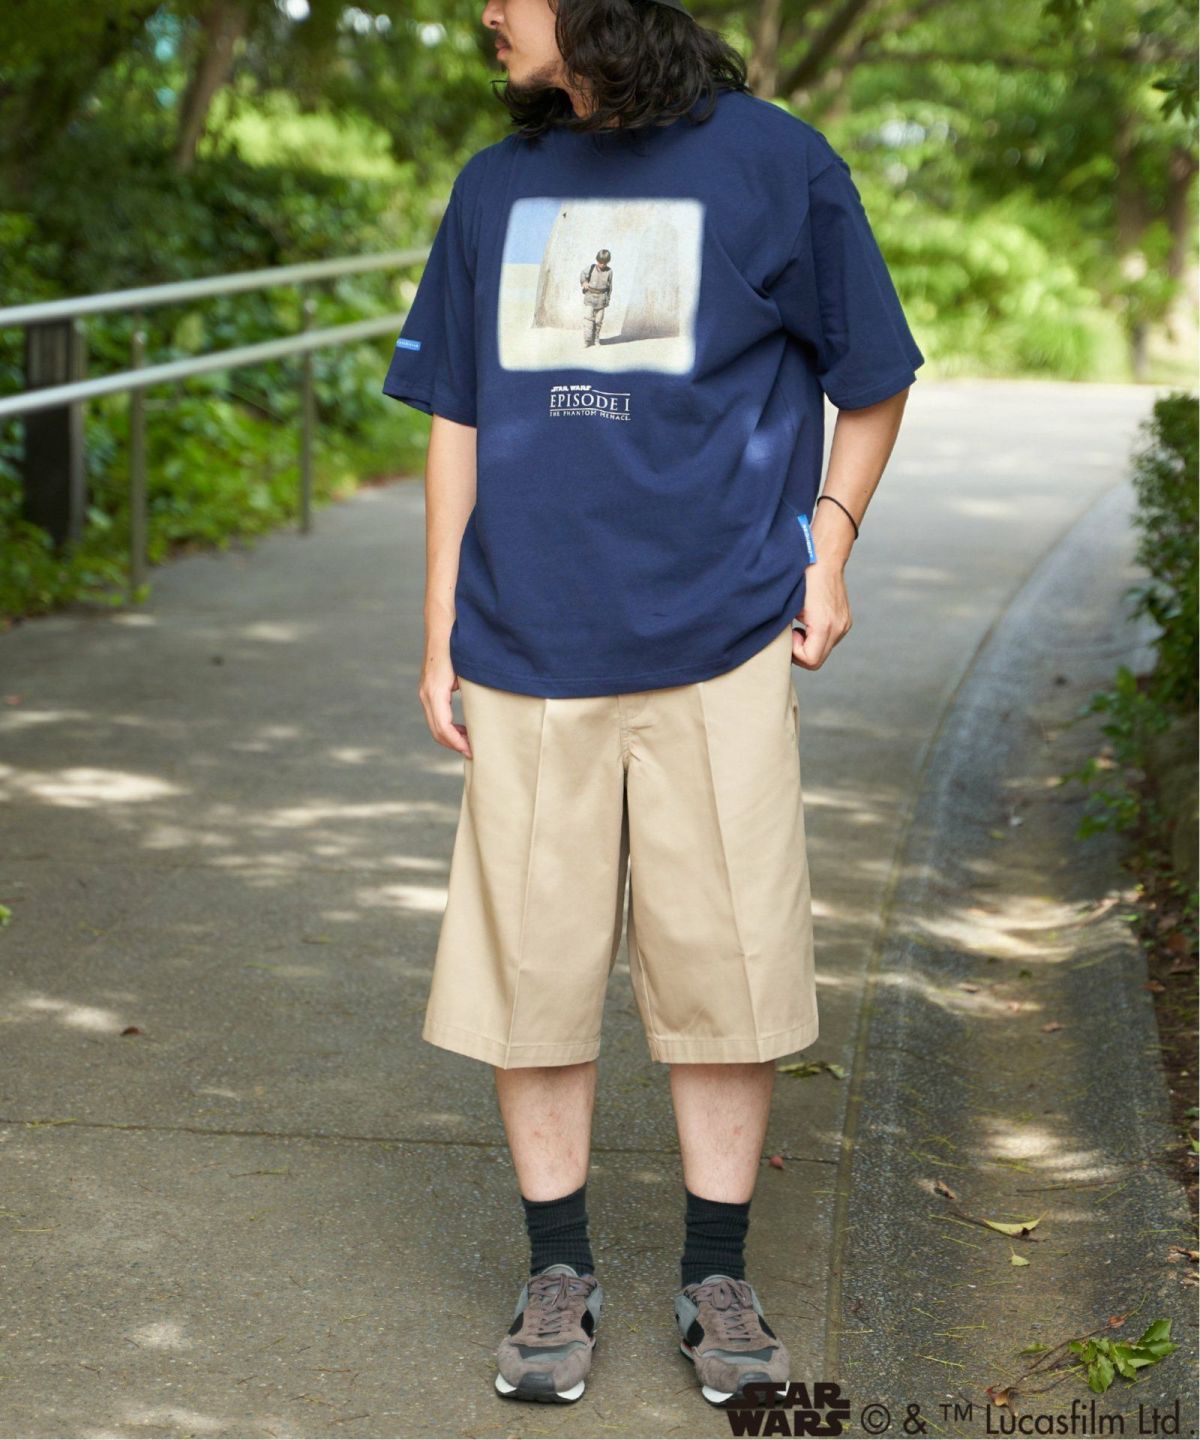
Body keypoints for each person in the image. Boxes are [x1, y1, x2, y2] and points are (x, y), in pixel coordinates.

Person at [382, 0, 924, 1411]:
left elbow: (874, 379)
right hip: (526, 636)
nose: (486, 10)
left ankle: (716, 1276)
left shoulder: (778, 164)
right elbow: (455, 414)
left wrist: (829, 546)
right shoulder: (494, 188)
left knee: (724, 964)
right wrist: (438, 622)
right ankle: (555, 1272)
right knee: (533, 969)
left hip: (722, 633)